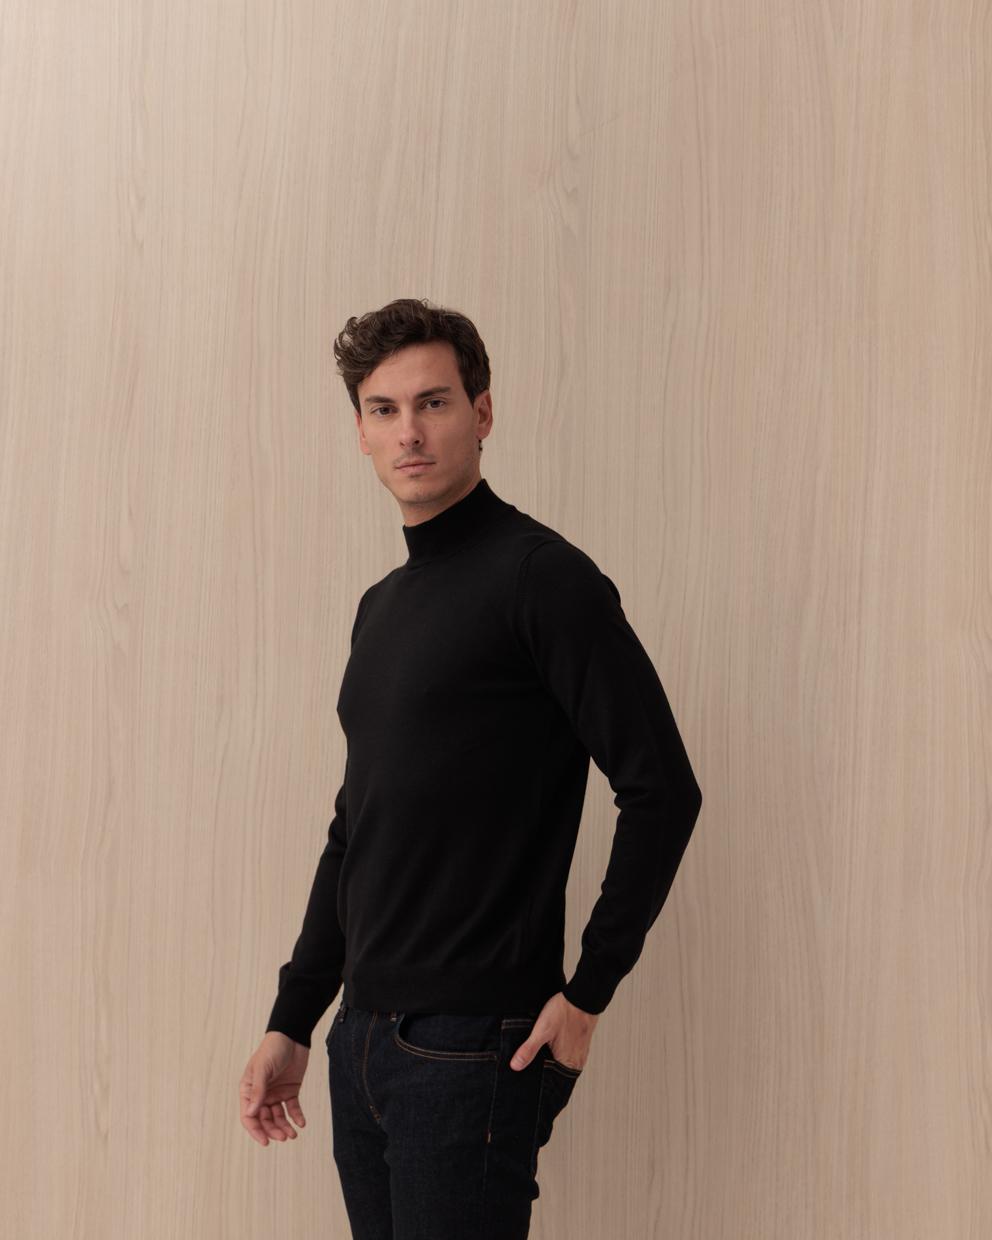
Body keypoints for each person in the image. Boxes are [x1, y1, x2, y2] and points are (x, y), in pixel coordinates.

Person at [239, 297, 703, 1237]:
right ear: (361, 432)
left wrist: (587, 995)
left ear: (482, 413)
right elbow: (356, 830)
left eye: (434, 402)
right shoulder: (381, 607)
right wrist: (295, 1018)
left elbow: (663, 789)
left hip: (470, 1048)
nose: (409, 432)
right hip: (361, 1040)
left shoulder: (543, 578)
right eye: (383, 409)